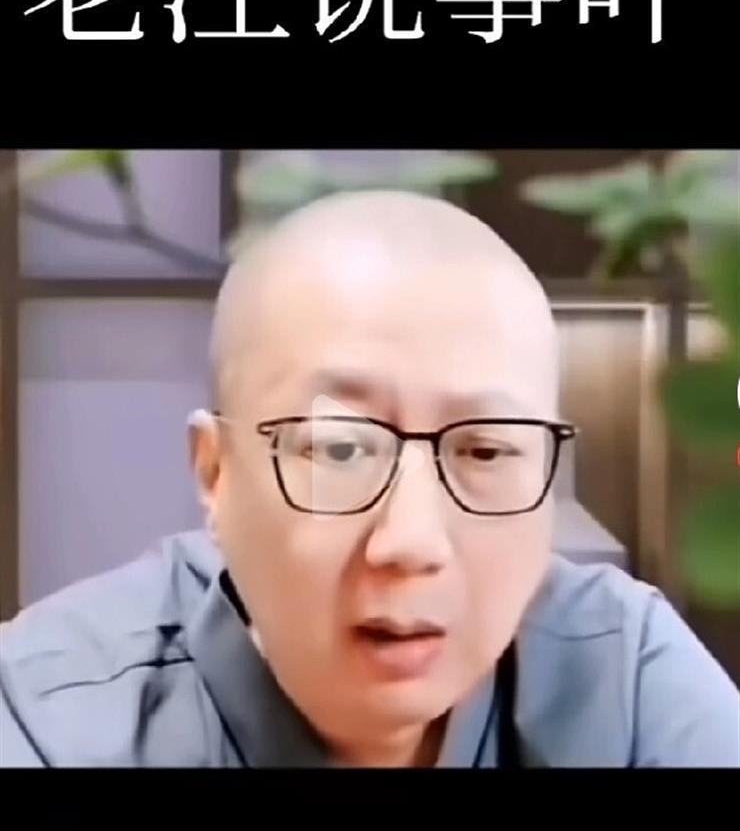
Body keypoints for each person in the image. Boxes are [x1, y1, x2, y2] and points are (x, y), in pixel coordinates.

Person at [1, 190, 737, 768]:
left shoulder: (625, 680)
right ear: (216, 474)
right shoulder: (47, 719)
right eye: (341, 450)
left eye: (485, 451)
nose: (412, 542)